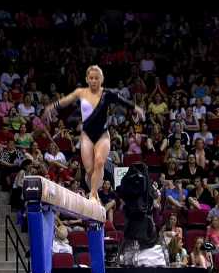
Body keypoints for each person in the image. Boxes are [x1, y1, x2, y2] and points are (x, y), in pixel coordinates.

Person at [42, 65, 144, 203]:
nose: (94, 80)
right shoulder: (81, 92)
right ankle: (94, 186)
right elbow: (66, 100)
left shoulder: (107, 94)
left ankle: (94, 194)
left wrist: (136, 108)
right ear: (87, 79)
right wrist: (51, 107)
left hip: (102, 134)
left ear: (101, 79)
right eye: (91, 78)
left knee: (100, 162)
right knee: (90, 170)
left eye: (97, 78)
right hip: (87, 136)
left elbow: (122, 100)